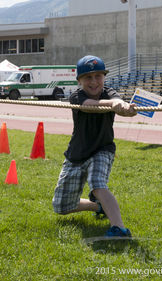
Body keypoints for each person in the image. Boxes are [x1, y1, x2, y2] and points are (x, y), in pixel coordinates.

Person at [52, 55, 137, 237]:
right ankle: (98, 206)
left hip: (102, 149)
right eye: (88, 77)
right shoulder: (77, 96)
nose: (93, 81)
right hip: (76, 154)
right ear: (80, 81)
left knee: (97, 184)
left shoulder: (110, 93)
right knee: (61, 207)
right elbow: (89, 106)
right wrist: (114, 104)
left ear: (104, 77)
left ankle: (119, 229)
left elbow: (119, 105)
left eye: (98, 76)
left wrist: (125, 107)